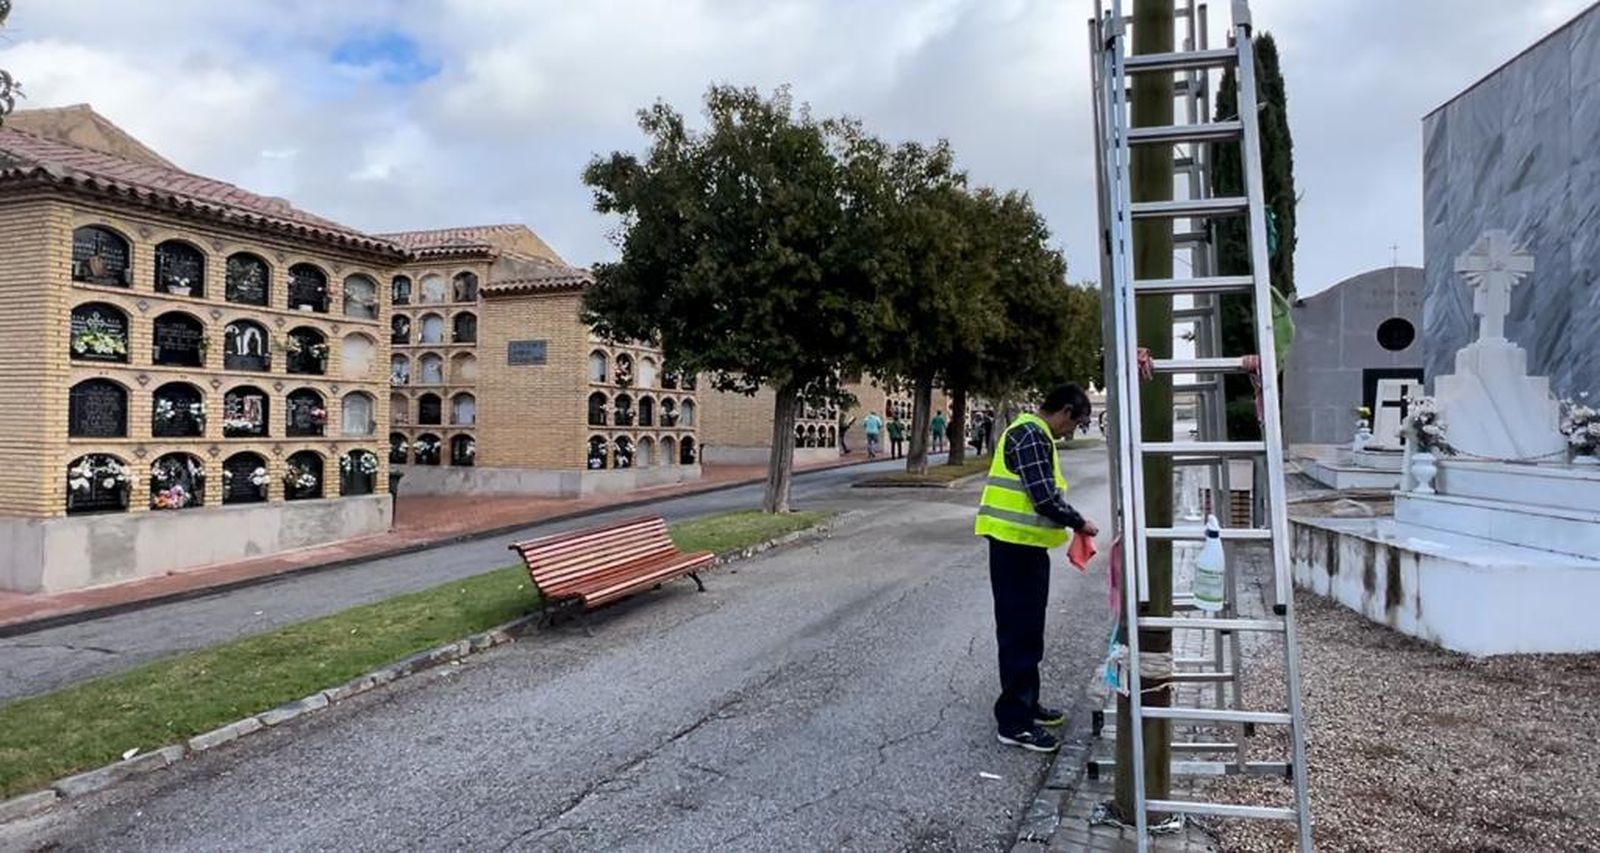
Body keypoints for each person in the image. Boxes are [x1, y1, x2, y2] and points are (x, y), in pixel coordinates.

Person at [974, 383, 1098, 753]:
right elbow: (1043, 497)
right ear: (1064, 411)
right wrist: (1079, 522)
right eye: (1074, 423)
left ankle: (1027, 704)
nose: (1071, 431)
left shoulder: (1035, 432)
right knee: (1019, 634)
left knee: (1029, 632)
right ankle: (1014, 722)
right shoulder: (1031, 434)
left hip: (1023, 547)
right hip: (1014, 548)